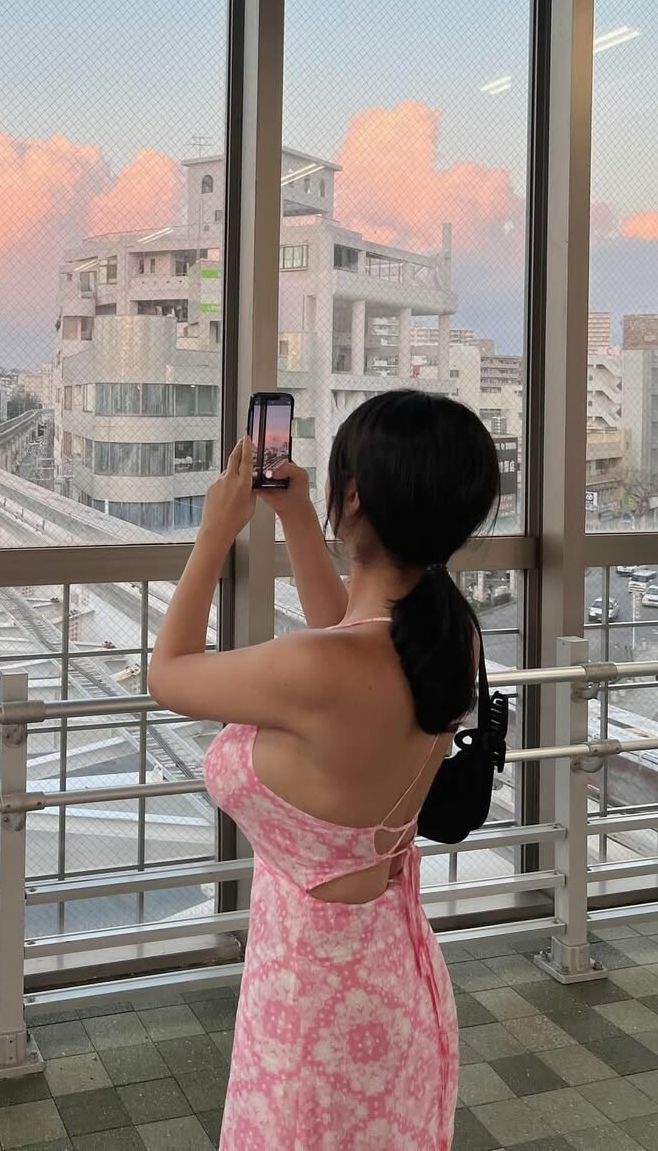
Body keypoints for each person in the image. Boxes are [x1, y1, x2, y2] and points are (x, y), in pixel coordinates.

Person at [148, 389, 501, 1150]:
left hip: (312, 1008)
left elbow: (168, 672)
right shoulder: (448, 637)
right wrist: (299, 517)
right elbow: (352, 631)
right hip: (389, 975)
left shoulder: (321, 668)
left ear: (355, 495)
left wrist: (215, 532)